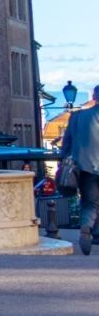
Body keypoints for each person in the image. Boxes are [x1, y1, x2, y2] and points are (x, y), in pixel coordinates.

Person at [57, 90, 99, 255]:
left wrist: (64, 160)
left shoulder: (77, 117)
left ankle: (86, 228)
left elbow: (67, 143)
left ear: (94, 97)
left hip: (85, 166)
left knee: (90, 202)